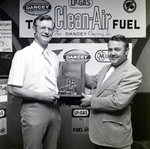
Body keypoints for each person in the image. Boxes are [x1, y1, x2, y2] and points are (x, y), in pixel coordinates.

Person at [7, 15, 61, 149]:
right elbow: (12, 88)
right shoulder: (23, 55)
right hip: (34, 109)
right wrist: (42, 96)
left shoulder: (54, 57)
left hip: (55, 109)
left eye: (50, 28)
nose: (46, 31)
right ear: (34, 30)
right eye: (42, 27)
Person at [80, 34, 142, 149]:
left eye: (117, 49)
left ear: (126, 51)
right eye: (110, 49)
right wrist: (78, 68)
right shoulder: (106, 68)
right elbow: (93, 82)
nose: (112, 53)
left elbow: (118, 102)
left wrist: (91, 101)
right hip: (98, 135)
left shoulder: (133, 73)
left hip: (115, 138)